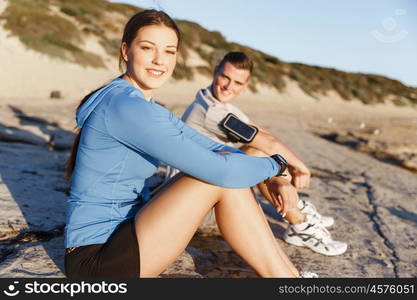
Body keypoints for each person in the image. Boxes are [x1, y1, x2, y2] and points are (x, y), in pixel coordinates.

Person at [64, 10, 317, 278]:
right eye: (147, 48)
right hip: (98, 262)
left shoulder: (138, 103)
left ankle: (289, 279)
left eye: (169, 51)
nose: (159, 60)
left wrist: (276, 175)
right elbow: (222, 171)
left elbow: (216, 150)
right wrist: (276, 165)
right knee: (218, 177)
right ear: (126, 51)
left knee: (223, 170)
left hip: (125, 232)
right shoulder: (127, 106)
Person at [180, 52, 348, 256]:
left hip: (203, 182)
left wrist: (286, 165)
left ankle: (299, 208)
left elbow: (261, 132)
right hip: (188, 200)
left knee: (259, 155)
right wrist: (300, 167)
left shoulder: (214, 101)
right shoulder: (213, 113)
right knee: (257, 154)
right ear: (215, 73)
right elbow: (266, 144)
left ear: (245, 85)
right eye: (225, 77)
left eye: (237, 83)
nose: (228, 87)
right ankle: (300, 225)